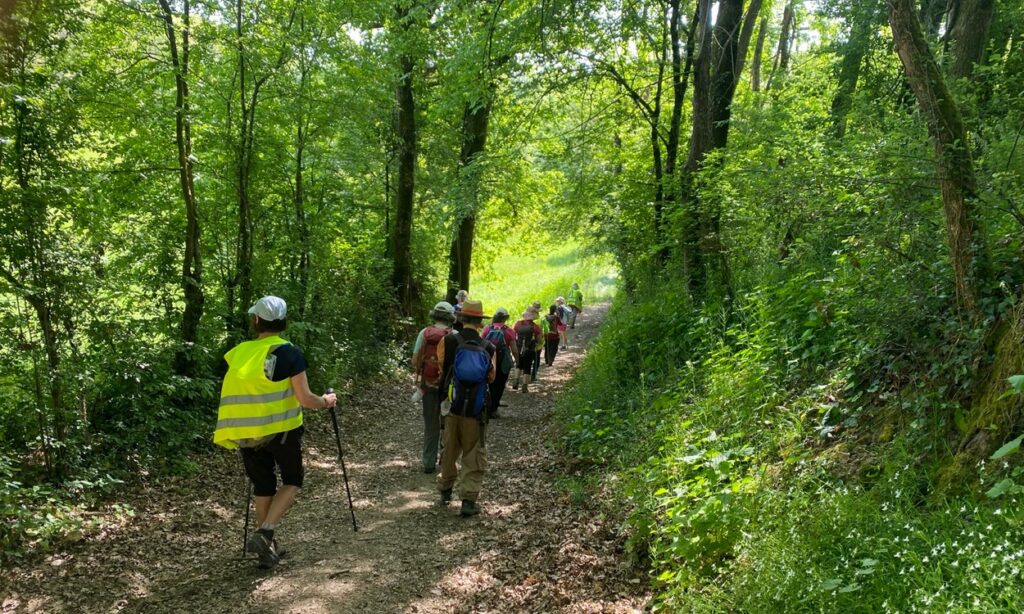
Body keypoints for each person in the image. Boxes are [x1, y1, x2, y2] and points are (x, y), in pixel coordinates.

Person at [214, 296, 337, 569]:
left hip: (246, 434)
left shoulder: (239, 353)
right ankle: (266, 531)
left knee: (263, 486)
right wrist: (326, 401)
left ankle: (266, 550)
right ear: (283, 321)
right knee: (292, 480)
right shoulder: (290, 353)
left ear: (256, 320)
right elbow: (305, 399)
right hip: (281, 432)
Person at [436, 299, 496, 517]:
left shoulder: (448, 341)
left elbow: (441, 368)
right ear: (480, 323)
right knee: (473, 453)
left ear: (462, 319)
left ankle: (445, 490)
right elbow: (491, 377)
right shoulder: (488, 347)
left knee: (449, 449)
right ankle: (468, 501)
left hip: (451, 407)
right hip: (476, 411)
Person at [411, 301, 456, 473]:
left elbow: (415, 360)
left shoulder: (424, 333)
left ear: (434, 315)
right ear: (451, 317)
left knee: (431, 425)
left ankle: (428, 463)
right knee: (447, 425)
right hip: (448, 389)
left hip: (428, 386)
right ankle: (446, 461)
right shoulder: (455, 335)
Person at [481, 307, 517, 419]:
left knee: (489, 384)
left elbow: (481, 344)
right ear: (505, 318)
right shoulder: (509, 331)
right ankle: (494, 408)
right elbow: (514, 349)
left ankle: (487, 406)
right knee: (500, 385)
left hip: (488, 360)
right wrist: (517, 360)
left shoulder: (487, 329)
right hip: (502, 362)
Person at [511, 308, 542, 393]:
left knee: (518, 365)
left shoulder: (518, 324)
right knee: (527, 367)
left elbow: (513, 335)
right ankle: (524, 387)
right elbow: (539, 340)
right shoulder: (535, 327)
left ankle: (516, 381)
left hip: (518, 348)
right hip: (529, 349)